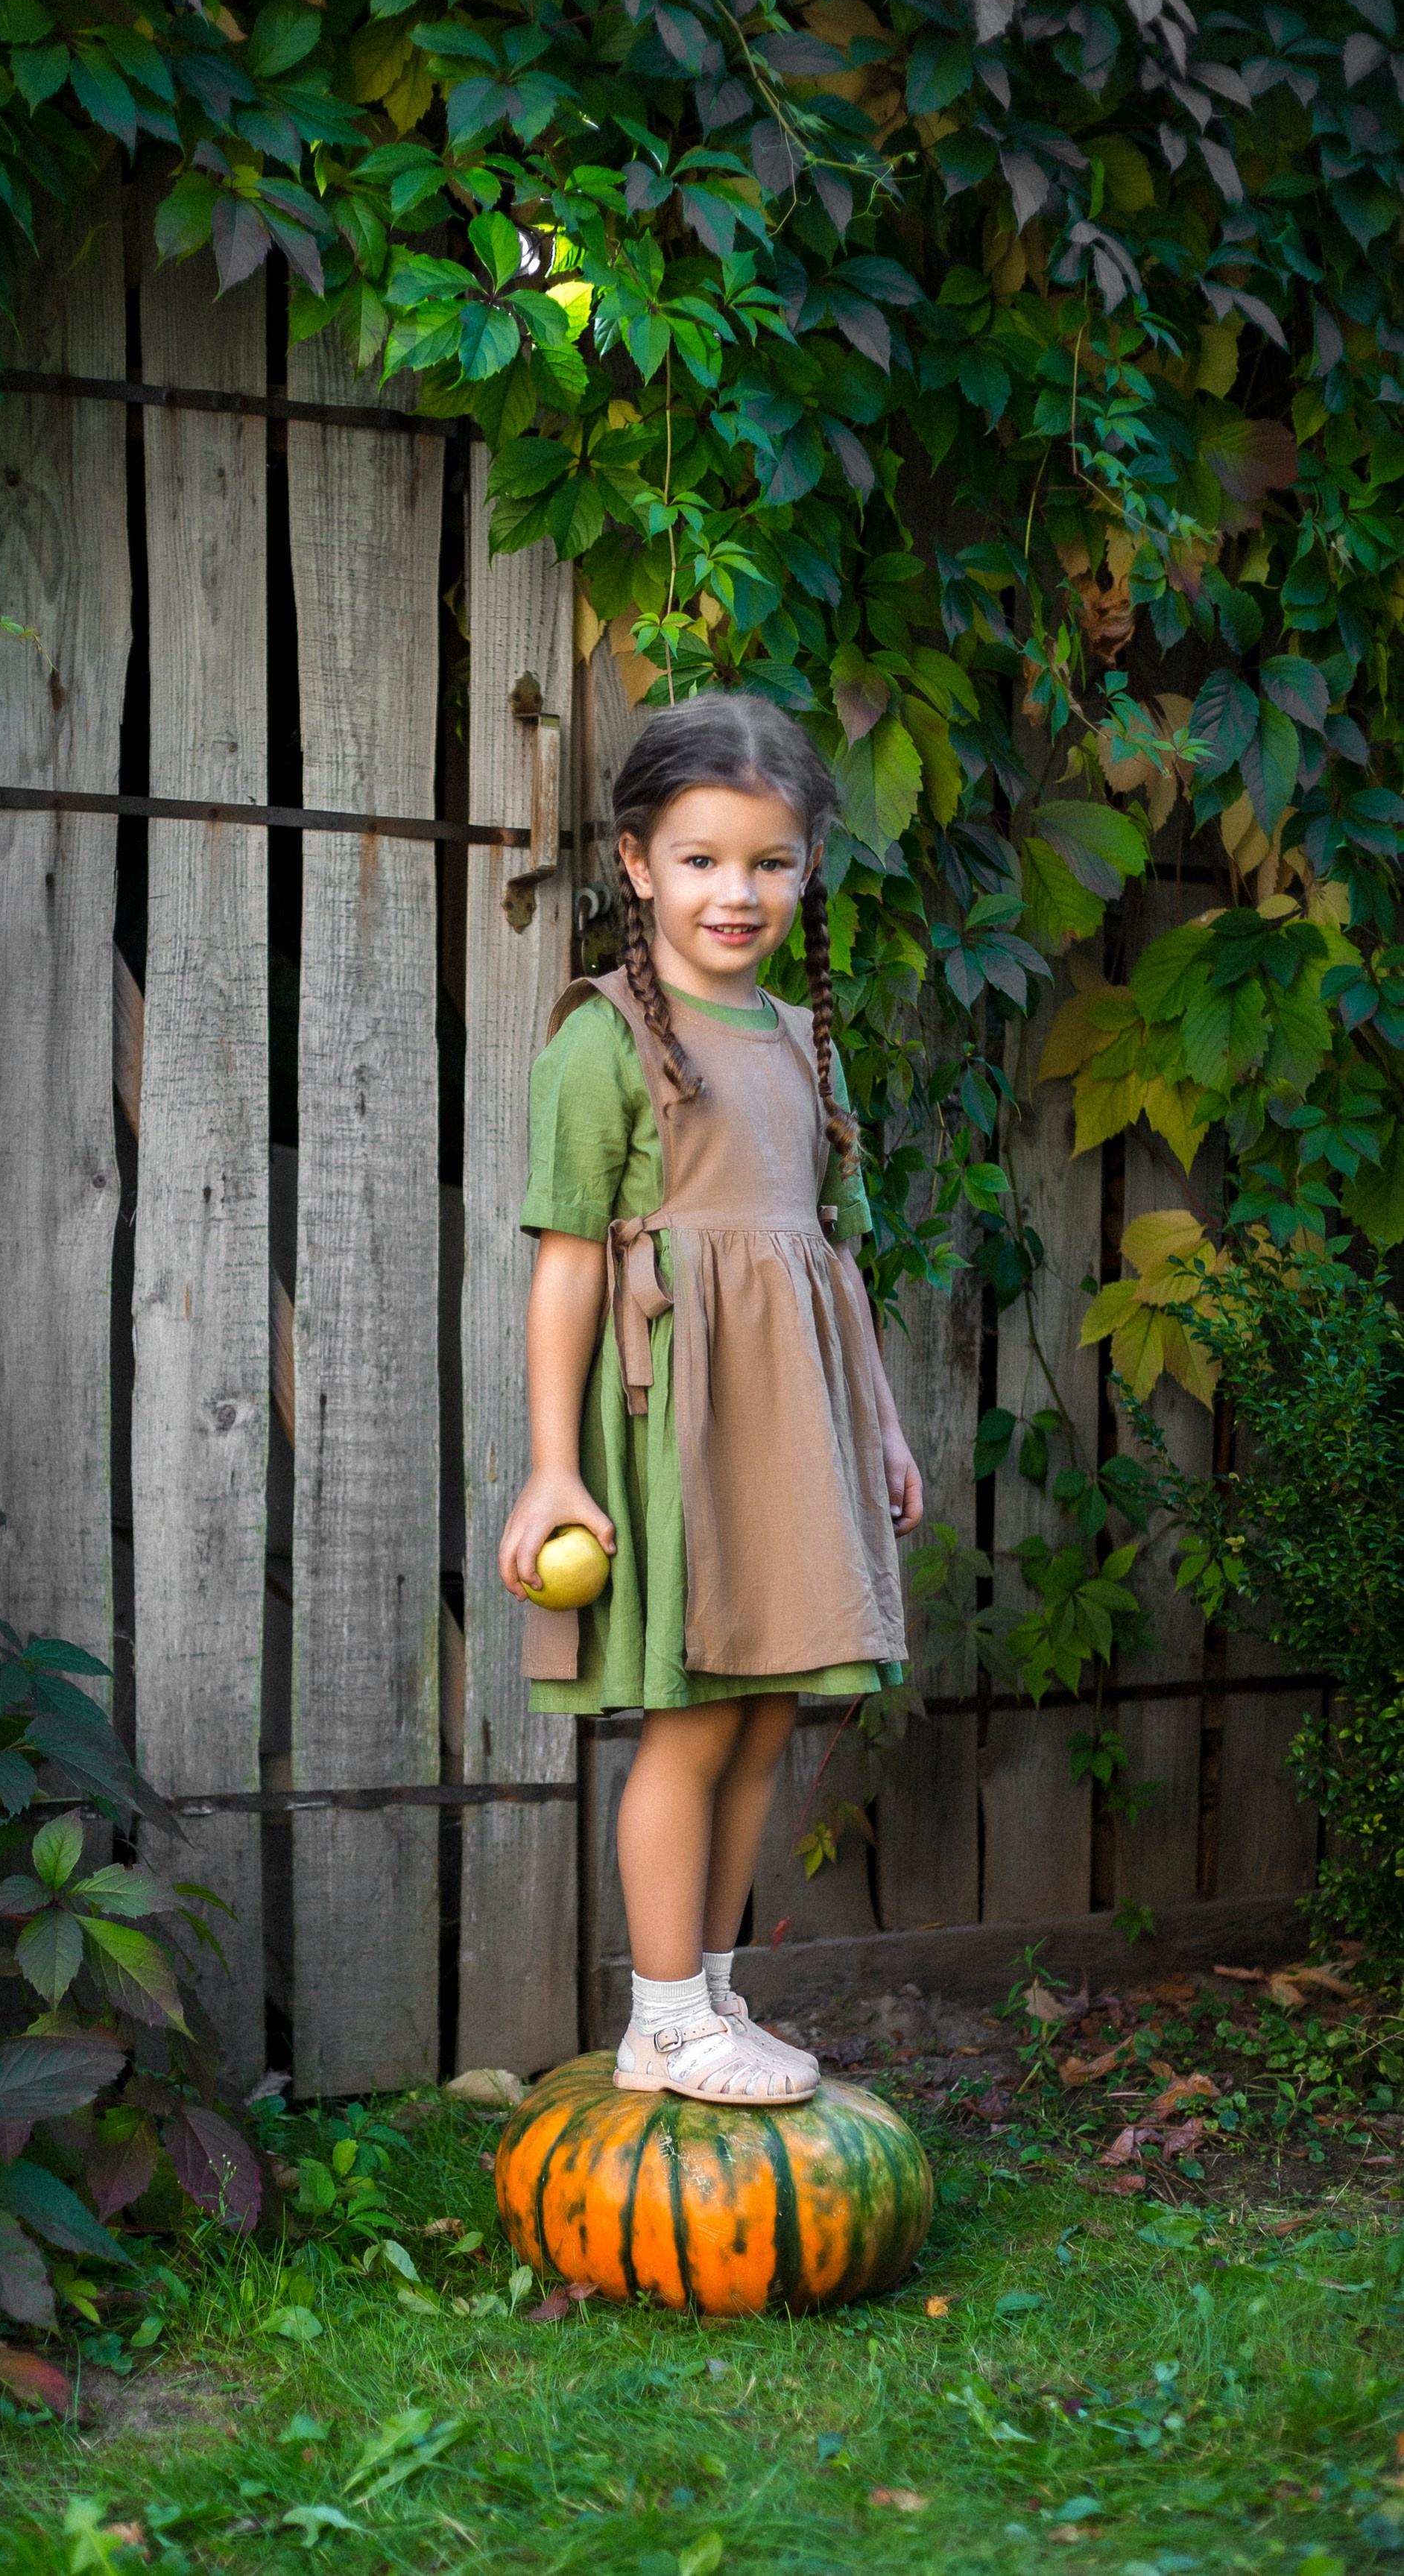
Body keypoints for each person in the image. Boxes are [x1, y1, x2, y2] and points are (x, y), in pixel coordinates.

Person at [498, 692, 924, 2105]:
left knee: (763, 1713)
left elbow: (831, 1264)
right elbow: (566, 1269)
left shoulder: (805, 1041)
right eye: (698, 860)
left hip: (791, 1437)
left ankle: (712, 1992)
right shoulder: (604, 1037)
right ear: (634, 863)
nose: (734, 892)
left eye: (768, 862)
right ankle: (662, 2018)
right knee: (690, 1717)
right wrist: (552, 1470)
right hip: (675, 1426)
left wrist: (880, 1430)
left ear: (805, 868)